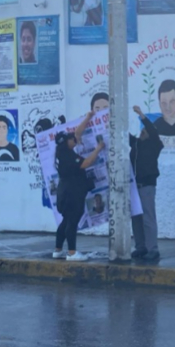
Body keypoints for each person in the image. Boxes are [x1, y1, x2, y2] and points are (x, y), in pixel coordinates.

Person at [53, 111, 104, 262]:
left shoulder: (61, 151)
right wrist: (98, 149)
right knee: (72, 222)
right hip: (71, 194)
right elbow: (86, 163)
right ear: (65, 142)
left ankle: (57, 250)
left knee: (65, 221)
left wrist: (88, 117)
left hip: (65, 192)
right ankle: (72, 252)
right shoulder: (67, 156)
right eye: (70, 139)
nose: (73, 139)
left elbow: (77, 133)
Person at [130, 105, 164, 261]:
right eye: (141, 130)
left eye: (144, 130)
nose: (142, 131)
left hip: (147, 185)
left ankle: (153, 248)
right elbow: (123, 135)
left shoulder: (154, 144)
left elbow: (153, 129)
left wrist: (141, 115)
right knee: (136, 217)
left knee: (148, 218)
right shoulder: (137, 145)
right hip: (134, 185)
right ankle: (141, 247)